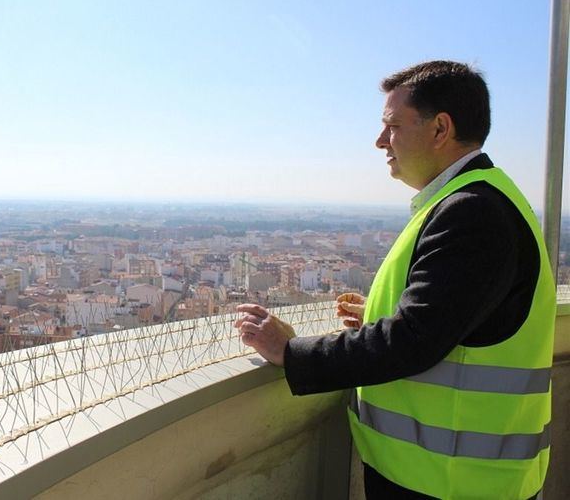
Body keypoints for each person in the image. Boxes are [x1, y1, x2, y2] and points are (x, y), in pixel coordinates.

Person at [234, 61, 555, 500]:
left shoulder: (471, 212)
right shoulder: (478, 197)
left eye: (392, 126)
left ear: (441, 129)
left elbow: (413, 340)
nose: (381, 141)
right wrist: (381, 312)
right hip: (456, 477)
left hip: (451, 483)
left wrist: (290, 352)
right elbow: (457, 319)